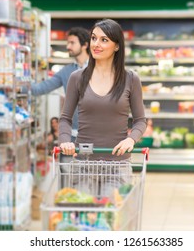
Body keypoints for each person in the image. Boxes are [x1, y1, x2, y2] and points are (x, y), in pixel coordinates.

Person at [58, 19, 147, 196]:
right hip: (84, 163)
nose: (96, 44)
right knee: (83, 217)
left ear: (116, 46)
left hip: (117, 165)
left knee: (111, 216)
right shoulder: (77, 77)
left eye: (104, 40)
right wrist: (65, 140)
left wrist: (131, 140)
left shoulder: (130, 79)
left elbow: (140, 121)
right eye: (93, 38)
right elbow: (65, 119)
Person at [23, 27, 90, 140]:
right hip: (73, 136)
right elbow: (40, 89)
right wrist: (17, 85)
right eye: (68, 43)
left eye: (72, 43)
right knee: (69, 159)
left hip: (97, 134)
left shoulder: (99, 69)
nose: (68, 46)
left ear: (85, 45)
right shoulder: (66, 72)